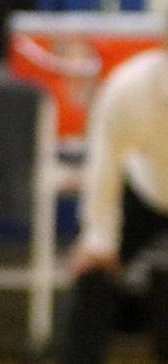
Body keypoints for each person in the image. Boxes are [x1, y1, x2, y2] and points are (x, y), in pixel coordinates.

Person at [60, 36, 168, 363]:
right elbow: (103, 165)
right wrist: (98, 240)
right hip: (142, 193)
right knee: (92, 274)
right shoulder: (129, 87)